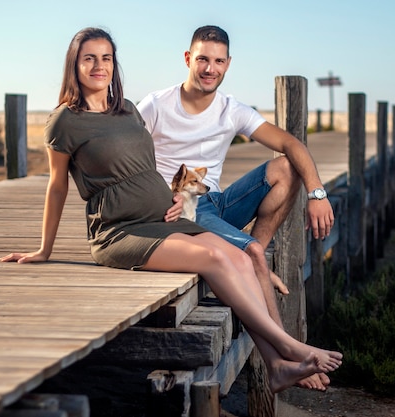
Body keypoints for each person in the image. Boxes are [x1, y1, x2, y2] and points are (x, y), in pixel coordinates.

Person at [0, 27, 342, 394]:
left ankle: (275, 367)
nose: (99, 66)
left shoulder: (127, 110)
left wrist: (179, 195)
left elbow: (146, 167)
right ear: (74, 65)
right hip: (121, 230)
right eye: (89, 58)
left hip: (167, 215)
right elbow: (57, 185)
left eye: (106, 58)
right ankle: (289, 348)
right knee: (216, 258)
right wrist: (44, 249)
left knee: (242, 259)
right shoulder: (65, 121)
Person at [137, 25, 335, 390]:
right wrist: (161, 196)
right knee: (256, 253)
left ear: (228, 64)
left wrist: (317, 193)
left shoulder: (231, 110)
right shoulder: (155, 105)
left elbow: (290, 143)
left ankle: (255, 262)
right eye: (202, 59)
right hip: (182, 209)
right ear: (187, 59)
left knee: (285, 167)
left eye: (217, 61)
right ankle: (289, 358)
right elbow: (128, 159)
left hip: (214, 202)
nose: (209, 68)